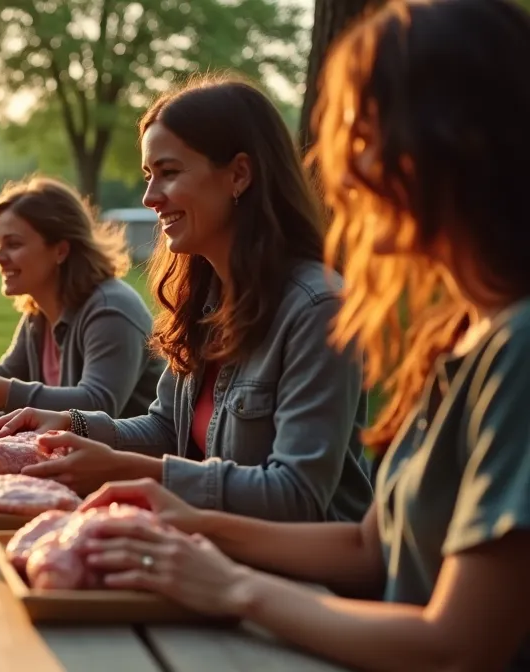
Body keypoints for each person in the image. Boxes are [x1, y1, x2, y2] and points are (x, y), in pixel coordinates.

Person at [65, 2, 530, 668]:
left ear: (458, 142)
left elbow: (455, 648)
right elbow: (369, 548)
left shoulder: (518, 349)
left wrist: (230, 585)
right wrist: (179, 520)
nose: (345, 171)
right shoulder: (458, 335)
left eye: (366, 135)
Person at [0, 75, 373, 522]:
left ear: (239, 175)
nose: (150, 198)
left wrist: (133, 471)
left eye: (169, 173)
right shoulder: (205, 297)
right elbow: (168, 427)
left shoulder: (318, 308)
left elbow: (296, 494)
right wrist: (73, 424)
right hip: (206, 550)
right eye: (149, 176)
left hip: (299, 578)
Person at [0, 176, 163, 418]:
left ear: (60, 250)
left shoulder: (111, 309)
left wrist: (7, 394)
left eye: (13, 244)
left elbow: (100, 403)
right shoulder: (39, 311)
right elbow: (9, 374)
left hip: (128, 469)